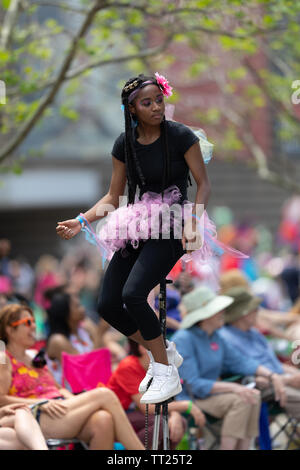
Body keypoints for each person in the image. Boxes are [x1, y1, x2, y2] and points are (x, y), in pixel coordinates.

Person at [56, 72, 212, 404]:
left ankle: (165, 368)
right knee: (108, 304)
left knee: (134, 294)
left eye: (159, 100)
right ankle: (163, 352)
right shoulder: (123, 144)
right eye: (147, 102)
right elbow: (113, 197)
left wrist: (194, 222)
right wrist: (81, 220)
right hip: (137, 221)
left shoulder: (181, 136)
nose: (157, 107)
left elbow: (203, 183)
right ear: (132, 109)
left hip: (174, 222)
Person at [0, 303, 144, 450]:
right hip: (36, 416)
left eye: (34, 322)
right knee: (104, 394)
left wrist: (74, 401)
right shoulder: (4, 359)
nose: (34, 326)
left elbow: (58, 388)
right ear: (10, 330)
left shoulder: (35, 356)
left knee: (103, 420)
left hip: (60, 408)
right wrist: (41, 402)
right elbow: (1, 398)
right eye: (27, 323)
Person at [172, 285, 265, 450]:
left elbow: (241, 362)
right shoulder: (184, 339)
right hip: (193, 398)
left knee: (253, 396)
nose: (223, 312)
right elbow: (193, 384)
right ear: (204, 316)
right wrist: (234, 388)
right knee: (241, 399)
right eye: (217, 310)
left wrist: (271, 375)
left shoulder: (215, 336)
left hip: (213, 394)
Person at [107, 339, 205, 449]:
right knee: (162, 424)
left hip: (137, 412)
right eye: (161, 344)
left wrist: (175, 414)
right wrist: (186, 406)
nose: (167, 348)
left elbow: (167, 398)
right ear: (142, 348)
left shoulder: (159, 366)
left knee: (179, 422)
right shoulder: (128, 366)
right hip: (118, 413)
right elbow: (146, 407)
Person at [220, 286, 300, 418]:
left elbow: (275, 364)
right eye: (254, 309)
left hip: (279, 380)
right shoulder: (226, 339)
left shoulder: (253, 332)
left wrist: (295, 374)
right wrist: (289, 380)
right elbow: (247, 376)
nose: (258, 312)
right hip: (260, 386)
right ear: (243, 314)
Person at [46, 290, 126, 384]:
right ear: (65, 312)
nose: (83, 309)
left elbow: (103, 352)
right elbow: (83, 371)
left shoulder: (84, 328)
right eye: (77, 306)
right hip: (74, 392)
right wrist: (100, 333)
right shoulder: (58, 340)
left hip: (94, 384)